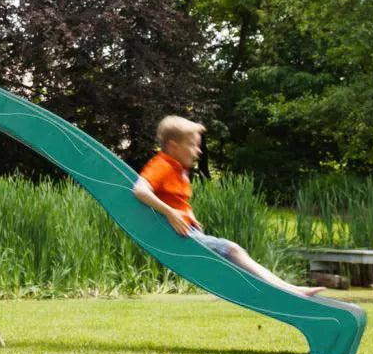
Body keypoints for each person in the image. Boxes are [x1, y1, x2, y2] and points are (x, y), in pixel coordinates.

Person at [133, 115, 325, 296]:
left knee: (233, 252)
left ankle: (286, 288)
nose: (198, 151)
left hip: (189, 234)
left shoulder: (177, 169)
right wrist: (170, 213)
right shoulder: (162, 165)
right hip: (180, 239)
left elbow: (174, 199)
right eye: (192, 145)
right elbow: (140, 190)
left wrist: (188, 215)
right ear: (173, 146)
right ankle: (287, 290)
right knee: (232, 249)